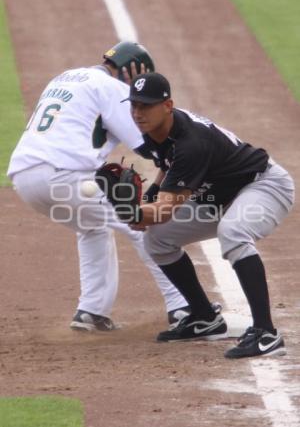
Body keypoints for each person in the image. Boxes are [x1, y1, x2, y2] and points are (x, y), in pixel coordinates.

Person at [6, 42, 191, 332]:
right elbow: (147, 145)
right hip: (64, 175)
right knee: (143, 222)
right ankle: (183, 305)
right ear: (134, 71)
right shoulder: (111, 88)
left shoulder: (66, 78)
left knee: (92, 227)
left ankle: (91, 311)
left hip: (25, 179)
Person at [121, 72, 294, 358]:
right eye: (135, 105)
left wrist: (136, 211)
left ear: (168, 105)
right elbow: (167, 166)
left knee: (233, 232)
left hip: (262, 186)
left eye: (146, 106)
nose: (138, 113)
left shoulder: (192, 143)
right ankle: (203, 318)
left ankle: (266, 333)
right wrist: (148, 199)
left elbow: (165, 210)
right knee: (158, 240)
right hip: (217, 195)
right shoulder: (156, 129)